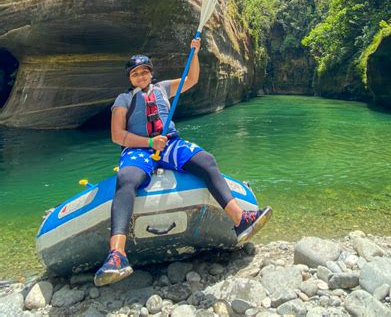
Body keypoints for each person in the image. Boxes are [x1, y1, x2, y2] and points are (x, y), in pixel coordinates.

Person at [94, 39, 272, 286]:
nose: (141, 76)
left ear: (151, 73)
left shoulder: (163, 88)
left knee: (206, 160)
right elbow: (118, 136)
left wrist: (195, 53)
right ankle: (117, 255)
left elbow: (191, 80)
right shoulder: (123, 100)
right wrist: (149, 143)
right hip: (139, 148)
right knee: (127, 180)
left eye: (145, 71)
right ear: (130, 78)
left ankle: (240, 220)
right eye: (136, 74)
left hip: (169, 143)